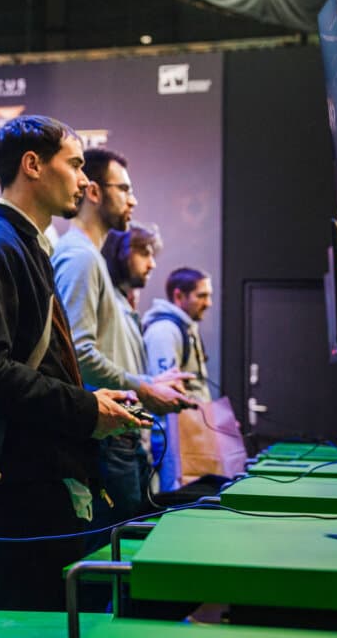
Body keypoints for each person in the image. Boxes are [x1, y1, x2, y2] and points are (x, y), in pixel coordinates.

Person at [0, 115, 145, 612]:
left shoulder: (19, 247)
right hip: (20, 486)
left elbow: (30, 367)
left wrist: (89, 401)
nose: (85, 180)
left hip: (40, 480)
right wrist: (86, 410)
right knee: (34, 617)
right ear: (32, 166)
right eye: (74, 164)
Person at [52, 148, 190, 543]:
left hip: (117, 435)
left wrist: (148, 381)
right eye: (124, 189)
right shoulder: (80, 257)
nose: (133, 200)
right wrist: (144, 386)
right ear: (93, 192)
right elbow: (78, 353)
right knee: (116, 562)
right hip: (105, 436)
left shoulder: (89, 257)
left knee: (126, 553)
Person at [100, 223, 176, 492]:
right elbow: (84, 357)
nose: (152, 263)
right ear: (119, 253)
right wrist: (146, 386)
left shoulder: (121, 302)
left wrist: (154, 383)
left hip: (129, 437)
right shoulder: (106, 299)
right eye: (144, 253)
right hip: (113, 438)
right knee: (116, 530)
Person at [143, 267, 215, 491]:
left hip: (188, 438)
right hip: (172, 442)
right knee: (174, 504)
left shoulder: (185, 328)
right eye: (201, 295)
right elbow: (166, 393)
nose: (209, 303)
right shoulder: (165, 331)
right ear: (178, 296)